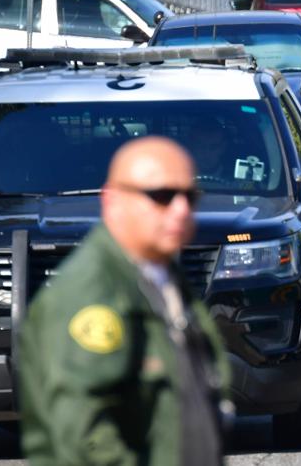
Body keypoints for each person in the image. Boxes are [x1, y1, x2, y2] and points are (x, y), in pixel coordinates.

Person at [20, 137, 231, 466]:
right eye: (161, 196)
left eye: (189, 196)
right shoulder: (93, 290)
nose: (181, 210)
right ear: (113, 201)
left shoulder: (160, 275)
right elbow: (83, 434)